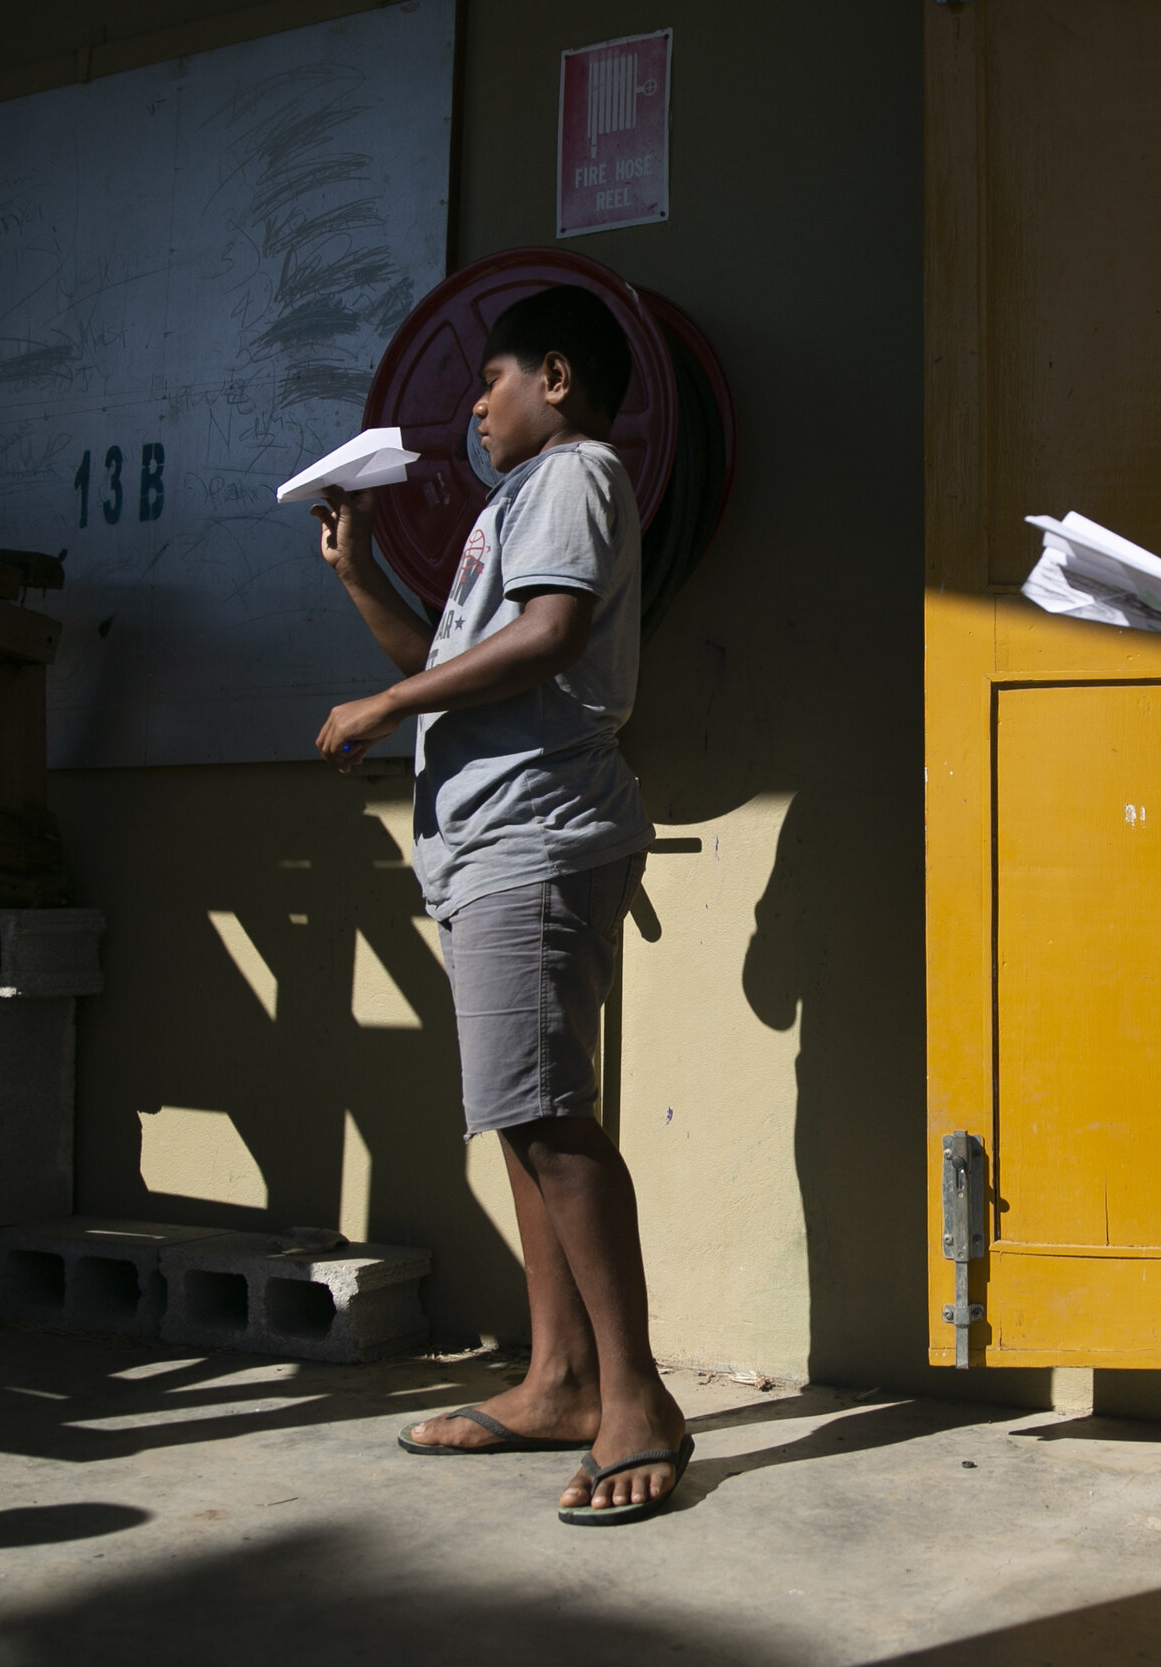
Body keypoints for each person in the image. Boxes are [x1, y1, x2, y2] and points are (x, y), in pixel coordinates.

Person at [310, 284, 688, 1525]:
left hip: (534, 834)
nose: (474, 408)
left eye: (491, 382)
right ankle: (558, 1378)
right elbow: (451, 663)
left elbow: (550, 637)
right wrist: (362, 571)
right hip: (489, 842)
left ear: (559, 379)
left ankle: (634, 1397)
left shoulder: (575, 473)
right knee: (523, 1116)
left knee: (550, 1116)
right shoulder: (514, 503)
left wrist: (383, 712)